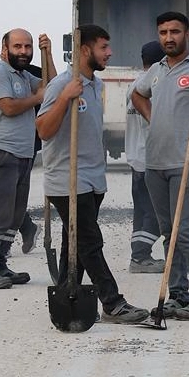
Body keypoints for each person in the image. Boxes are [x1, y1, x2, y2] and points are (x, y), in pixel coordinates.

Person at [35, 25, 150, 324]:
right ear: (85, 50)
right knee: (89, 242)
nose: (109, 53)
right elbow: (43, 130)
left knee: (74, 244)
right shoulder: (62, 85)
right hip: (67, 181)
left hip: (92, 180)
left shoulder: (96, 85)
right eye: (103, 47)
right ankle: (112, 303)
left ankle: (66, 300)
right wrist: (65, 99)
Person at [130, 11, 189, 320]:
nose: (169, 37)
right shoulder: (157, 69)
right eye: (163, 32)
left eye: (175, 31)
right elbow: (137, 94)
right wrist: (153, 118)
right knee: (169, 233)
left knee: (185, 231)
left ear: (187, 34)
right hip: (156, 162)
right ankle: (178, 296)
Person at [0, 29, 50, 289]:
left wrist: (47, 53)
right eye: (18, 46)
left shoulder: (23, 76)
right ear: (4, 48)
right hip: (2, 154)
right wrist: (37, 98)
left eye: (28, 47)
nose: (24, 51)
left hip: (23, 155)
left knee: (13, 217)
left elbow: (50, 85)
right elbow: (7, 107)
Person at [125, 40, 165, 273]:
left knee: (142, 212)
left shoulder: (134, 85)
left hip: (136, 158)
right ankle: (140, 256)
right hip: (152, 159)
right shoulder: (154, 85)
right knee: (158, 213)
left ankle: (139, 256)